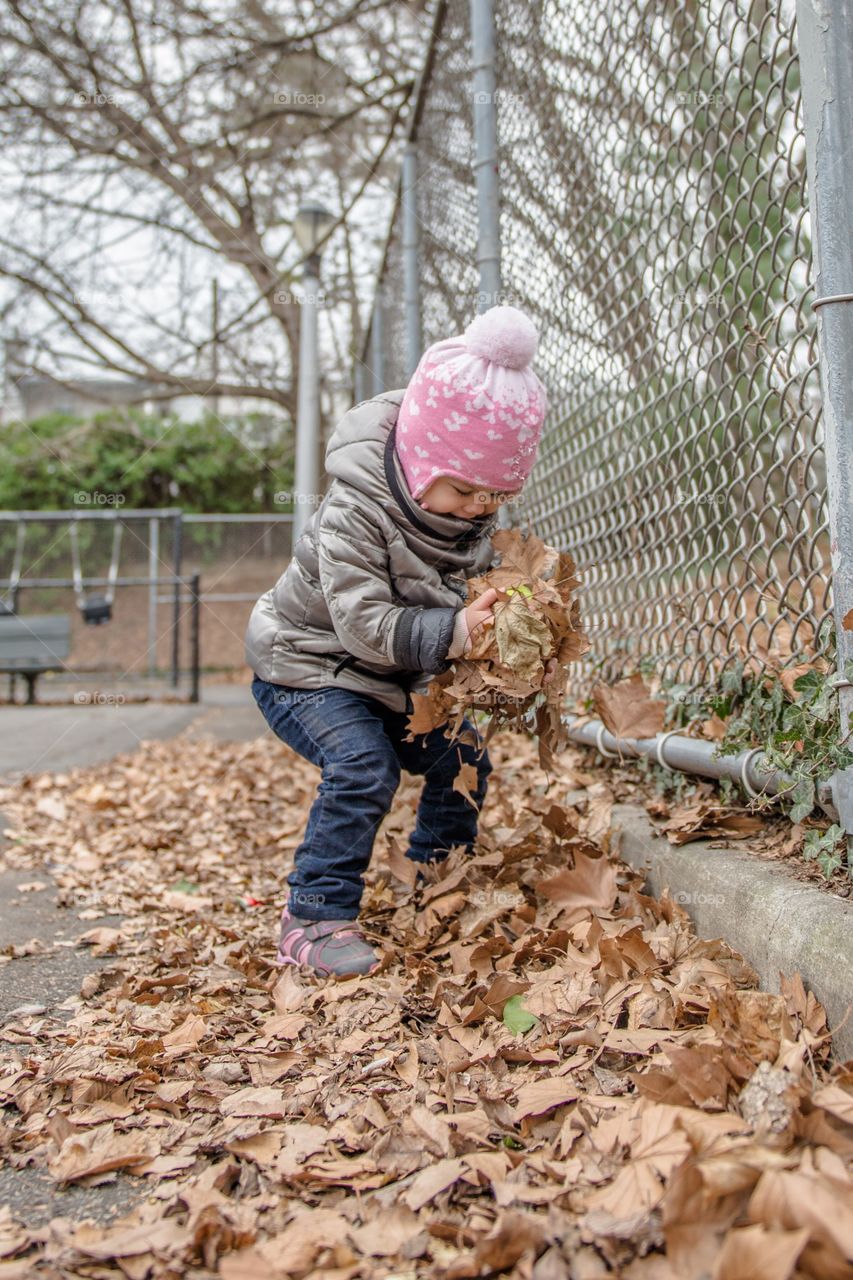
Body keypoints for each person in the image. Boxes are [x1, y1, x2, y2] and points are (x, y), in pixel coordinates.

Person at [245, 304, 548, 978]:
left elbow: (471, 594)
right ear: (418, 459)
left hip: (395, 678)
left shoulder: (469, 516)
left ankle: (435, 871)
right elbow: (361, 622)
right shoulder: (354, 511)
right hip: (308, 668)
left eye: (495, 495)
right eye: (465, 487)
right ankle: (313, 916)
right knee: (363, 765)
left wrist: (513, 617)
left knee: (463, 755)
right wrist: (456, 631)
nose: (478, 506)